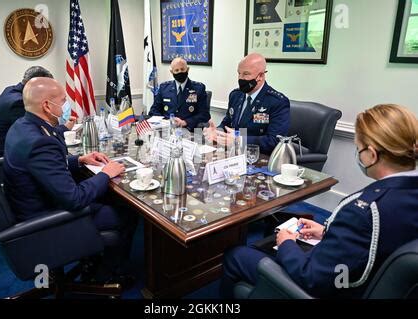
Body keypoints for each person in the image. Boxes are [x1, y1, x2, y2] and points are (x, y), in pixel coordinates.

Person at [221, 104, 418, 298]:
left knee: (236, 255)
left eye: (358, 148)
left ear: (372, 154)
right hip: (376, 282)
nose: (357, 154)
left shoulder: (363, 209)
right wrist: (329, 232)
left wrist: (287, 244)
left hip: (333, 289)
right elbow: (379, 238)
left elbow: (311, 277)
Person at [3, 77, 138, 284]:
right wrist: (105, 174)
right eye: (64, 100)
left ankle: (92, 259)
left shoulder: (22, 126)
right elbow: (74, 199)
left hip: (28, 206)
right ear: (47, 105)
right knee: (127, 211)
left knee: (108, 197)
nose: (67, 105)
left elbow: (42, 167)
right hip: (45, 220)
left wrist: (79, 160)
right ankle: (109, 273)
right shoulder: (40, 141)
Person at [0, 66, 76, 159]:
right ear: (35, 86)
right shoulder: (18, 102)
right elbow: (38, 133)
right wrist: (64, 128)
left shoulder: (11, 90)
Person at [204, 53, 290, 155]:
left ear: (260, 76)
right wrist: (217, 132)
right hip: (232, 155)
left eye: (246, 74)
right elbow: (227, 123)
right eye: (239, 73)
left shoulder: (277, 102)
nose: (240, 78)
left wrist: (240, 140)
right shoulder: (235, 95)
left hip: (259, 158)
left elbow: (274, 141)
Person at [148, 57, 210, 131]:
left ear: (188, 69)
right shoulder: (164, 88)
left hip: (189, 130)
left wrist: (185, 122)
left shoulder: (198, 88)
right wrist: (167, 121)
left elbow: (205, 114)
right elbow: (154, 110)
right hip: (167, 130)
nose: (180, 72)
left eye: (182, 69)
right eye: (176, 70)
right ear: (172, 72)